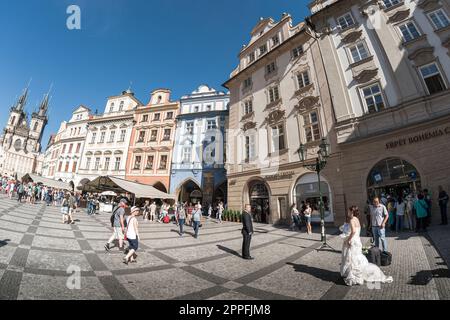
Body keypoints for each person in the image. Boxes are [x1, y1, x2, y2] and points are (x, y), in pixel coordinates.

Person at [340, 206, 393, 286]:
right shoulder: (357, 219)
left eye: (348, 211)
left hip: (353, 242)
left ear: (352, 212)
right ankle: (358, 272)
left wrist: (348, 239)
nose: (348, 213)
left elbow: (353, 231)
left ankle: (354, 275)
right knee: (357, 257)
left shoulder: (351, 220)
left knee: (352, 258)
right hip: (357, 241)